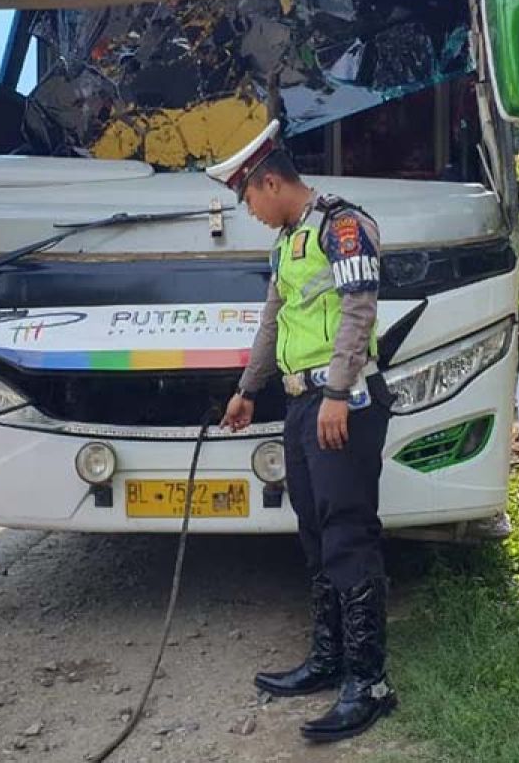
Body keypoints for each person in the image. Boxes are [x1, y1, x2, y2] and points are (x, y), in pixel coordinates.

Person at [210, 120, 396, 742]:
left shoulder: (345, 226)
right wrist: (245, 392)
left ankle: (369, 682)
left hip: (342, 401)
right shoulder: (286, 244)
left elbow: (358, 311)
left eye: (249, 199)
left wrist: (338, 393)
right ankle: (328, 661)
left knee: (348, 533)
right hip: (299, 404)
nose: (251, 212)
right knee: (315, 533)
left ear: (270, 181)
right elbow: (272, 323)